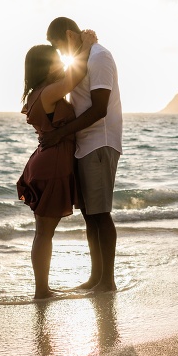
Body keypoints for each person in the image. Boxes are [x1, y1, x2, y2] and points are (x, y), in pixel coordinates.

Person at [41, 16, 122, 293]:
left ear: (68, 34)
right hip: (84, 144)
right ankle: (96, 278)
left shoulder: (99, 57)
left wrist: (60, 134)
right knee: (89, 214)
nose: (59, 52)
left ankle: (107, 282)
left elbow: (100, 108)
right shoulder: (82, 55)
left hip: (100, 142)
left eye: (57, 45)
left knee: (101, 214)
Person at [17, 30, 97, 300]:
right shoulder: (49, 92)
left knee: (43, 232)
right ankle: (42, 291)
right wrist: (85, 45)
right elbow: (77, 75)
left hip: (45, 162)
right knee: (44, 233)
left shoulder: (36, 94)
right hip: (51, 167)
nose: (60, 64)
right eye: (55, 60)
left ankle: (42, 289)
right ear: (45, 66)